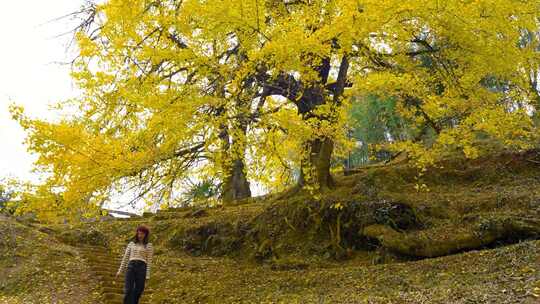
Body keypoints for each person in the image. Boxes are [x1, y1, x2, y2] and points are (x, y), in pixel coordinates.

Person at [115, 224, 154, 304]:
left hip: (142, 268)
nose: (140, 235)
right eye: (139, 233)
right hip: (131, 266)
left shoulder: (149, 246)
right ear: (136, 233)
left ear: (146, 235)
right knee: (128, 290)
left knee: (139, 290)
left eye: (142, 234)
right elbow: (125, 258)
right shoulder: (131, 244)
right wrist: (120, 271)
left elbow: (149, 261)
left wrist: (147, 275)